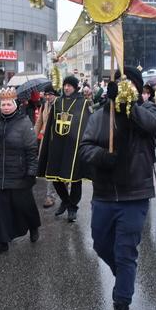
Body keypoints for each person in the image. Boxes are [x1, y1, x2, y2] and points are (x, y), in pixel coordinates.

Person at [80, 66, 156, 310]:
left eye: (130, 85)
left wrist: (130, 106)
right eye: (120, 84)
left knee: (126, 251)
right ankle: (125, 274)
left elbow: (153, 126)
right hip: (104, 194)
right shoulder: (100, 115)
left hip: (134, 195)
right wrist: (103, 157)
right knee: (100, 243)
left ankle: (121, 305)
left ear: (138, 88)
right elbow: (85, 148)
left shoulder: (148, 110)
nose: (125, 88)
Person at [0, 87, 41, 255]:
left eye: (9, 104)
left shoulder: (24, 122)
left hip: (18, 173)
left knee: (24, 205)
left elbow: (31, 150)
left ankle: (33, 225)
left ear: (15, 105)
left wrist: (31, 173)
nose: (5, 107)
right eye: (3, 104)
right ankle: (2, 241)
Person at [37, 75, 91, 223]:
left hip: (74, 146)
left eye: (69, 85)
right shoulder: (58, 102)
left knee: (75, 179)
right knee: (54, 177)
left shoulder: (83, 103)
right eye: (65, 85)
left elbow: (87, 125)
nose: (66, 88)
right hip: (58, 145)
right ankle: (66, 201)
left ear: (75, 87)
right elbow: (51, 125)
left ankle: (73, 207)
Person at [34, 85, 58, 209]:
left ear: (55, 94)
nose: (48, 97)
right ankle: (50, 196)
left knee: (56, 167)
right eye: (46, 94)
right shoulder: (44, 105)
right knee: (49, 167)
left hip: (57, 142)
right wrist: (33, 137)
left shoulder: (60, 105)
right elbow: (39, 122)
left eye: (50, 94)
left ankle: (59, 191)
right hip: (45, 141)